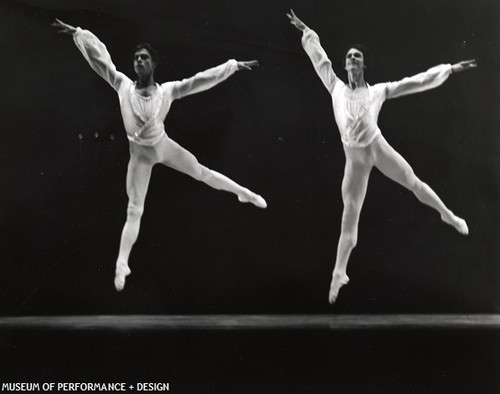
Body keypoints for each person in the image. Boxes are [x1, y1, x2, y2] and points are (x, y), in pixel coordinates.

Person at [52, 19, 267, 291]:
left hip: (164, 146)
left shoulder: (167, 91)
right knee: (134, 209)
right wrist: (81, 35)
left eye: (144, 58)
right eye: (135, 58)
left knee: (202, 172)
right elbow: (100, 60)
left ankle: (243, 193)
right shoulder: (122, 85)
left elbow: (199, 80)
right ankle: (122, 264)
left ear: (154, 64)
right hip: (140, 157)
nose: (138, 61)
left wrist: (231, 66)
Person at [287, 10, 476, 304]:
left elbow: (415, 81)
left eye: (356, 57)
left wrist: (449, 69)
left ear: (363, 64)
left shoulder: (378, 91)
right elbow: (318, 58)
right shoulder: (335, 87)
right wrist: (306, 31)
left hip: (377, 148)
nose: (351, 60)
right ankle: (339, 273)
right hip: (355, 160)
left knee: (413, 181)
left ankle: (447, 215)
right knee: (349, 217)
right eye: (348, 56)